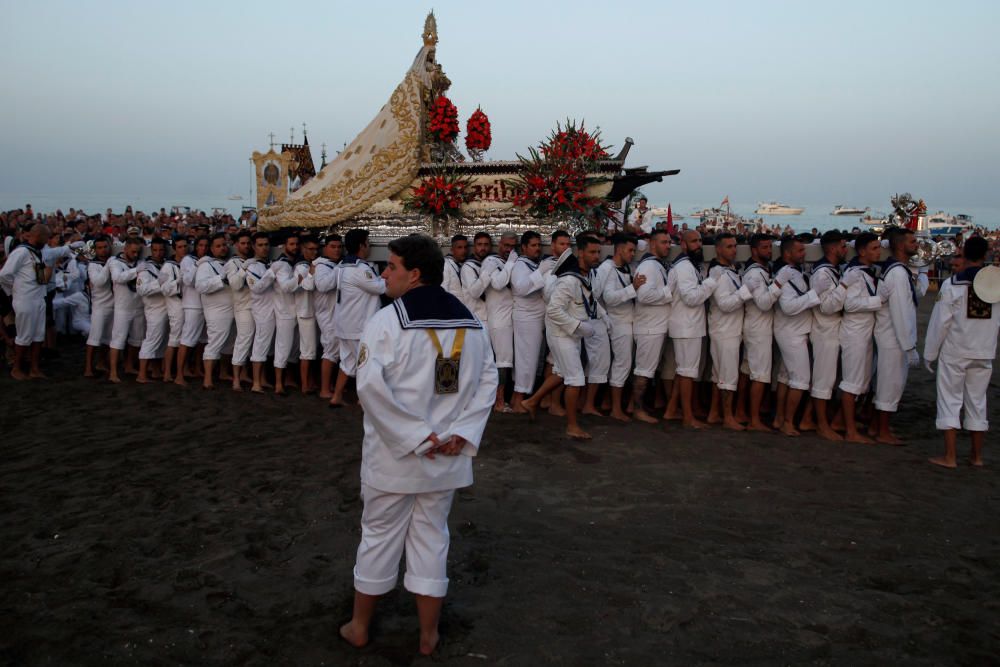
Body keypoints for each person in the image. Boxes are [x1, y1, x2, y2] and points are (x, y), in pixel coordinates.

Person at [339, 234, 497, 656]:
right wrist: (462, 432)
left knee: (378, 536)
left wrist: (413, 437)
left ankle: (359, 626)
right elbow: (488, 379)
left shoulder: (387, 320)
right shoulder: (472, 320)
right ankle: (428, 635)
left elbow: (369, 388)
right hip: (446, 456)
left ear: (414, 274)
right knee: (431, 538)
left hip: (395, 458)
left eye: (390, 266)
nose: (383, 273)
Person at [521, 234, 607, 440]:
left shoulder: (583, 276)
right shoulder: (569, 280)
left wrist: (604, 316)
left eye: (598, 252)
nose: (597, 256)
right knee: (576, 379)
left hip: (572, 333)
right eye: (592, 252)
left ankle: (531, 401)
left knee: (560, 372)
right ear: (581, 253)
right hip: (562, 334)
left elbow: (590, 300)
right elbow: (553, 311)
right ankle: (572, 425)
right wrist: (579, 326)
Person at [924, 237, 999, 468]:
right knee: (977, 402)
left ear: (964, 254)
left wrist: (930, 353)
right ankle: (976, 457)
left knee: (950, 400)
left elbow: (940, 323)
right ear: (985, 254)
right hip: (984, 349)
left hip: (956, 350)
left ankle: (950, 456)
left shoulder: (953, 284)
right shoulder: (995, 285)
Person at [872, 228, 925, 444]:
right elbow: (901, 312)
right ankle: (883, 432)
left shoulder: (900, 270)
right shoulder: (896, 273)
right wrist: (909, 346)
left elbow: (916, 294)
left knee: (889, 383)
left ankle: (879, 428)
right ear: (901, 245)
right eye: (913, 241)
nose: (917, 245)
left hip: (895, 337)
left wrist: (923, 271)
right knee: (890, 384)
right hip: (894, 339)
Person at [591, 233, 644, 421]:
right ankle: (615, 409)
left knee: (621, 364)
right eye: (630, 250)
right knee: (622, 364)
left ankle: (609, 403)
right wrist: (633, 289)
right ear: (620, 249)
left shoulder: (622, 267)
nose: (633, 254)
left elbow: (644, 245)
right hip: (617, 322)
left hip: (625, 320)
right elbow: (610, 298)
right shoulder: (608, 268)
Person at [838, 233, 885, 443]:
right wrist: (878, 301)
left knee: (861, 382)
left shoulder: (867, 272)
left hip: (864, 331)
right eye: (874, 248)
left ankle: (841, 422)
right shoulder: (855, 273)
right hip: (855, 332)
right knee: (852, 382)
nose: (878, 252)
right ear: (862, 251)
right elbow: (850, 304)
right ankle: (850, 431)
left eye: (879, 247)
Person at [668, 230, 717, 429]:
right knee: (687, 372)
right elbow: (691, 298)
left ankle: (671, 409)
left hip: (689, 325)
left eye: (700, 241)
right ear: (683, 244)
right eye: (694, 241)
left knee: (684, 371)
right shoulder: (684, 267)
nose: (699, 245)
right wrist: (712, 281)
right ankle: (688, 418)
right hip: (686, 326)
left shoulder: (689, 265)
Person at [331, 228, 386, 407]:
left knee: (347, 363)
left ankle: (336, 396)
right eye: (368, 243)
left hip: (344, 324)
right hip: (357, 326)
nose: (369, 246)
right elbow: (380, 288)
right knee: (366, 363)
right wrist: (389, 274)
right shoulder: (359, 269)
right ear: (362, 245)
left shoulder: (342, 266)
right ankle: (363, 401)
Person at [773, 236, 821, 436]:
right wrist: (814, 295)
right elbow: (789, 306)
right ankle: (788, 422)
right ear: (787, 254)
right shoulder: (786, 273)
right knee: (801, 379)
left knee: (786, 377)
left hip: (794, 329)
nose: (804, 254)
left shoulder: (794, 272)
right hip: (791, 332)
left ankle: (779, 418)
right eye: (800, 251)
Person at [706, 233, 754, 430]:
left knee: (719, 374)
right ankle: (728, 417)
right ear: (718, 249)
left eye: (735, 246)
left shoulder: (730, 270)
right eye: (729, 247)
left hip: (728, 329)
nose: (734, 250)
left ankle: (714, 413)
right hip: (725, 330)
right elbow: (725, 304)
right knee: (727, 376)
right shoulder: (718, 272)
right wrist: (745, 292)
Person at [808, 230, 848, 440]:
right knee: (824, 379)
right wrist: (845, 288)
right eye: (842, 246)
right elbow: (826, 306)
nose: (846, 250)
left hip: (833, 329)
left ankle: (813, 419)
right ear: (832, 248)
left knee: (829, 379)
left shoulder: (831, 269)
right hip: (825, 329)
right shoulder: (823, 273)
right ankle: (822, 425)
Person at [739, 234, 781, 431]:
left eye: (770, 247)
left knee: (748, 371)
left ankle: (742, 411)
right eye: (764, 247)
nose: (769, 251)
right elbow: (764, 303)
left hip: (756, 326)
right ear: (754, 250)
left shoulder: (760, 270)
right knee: (760, 374)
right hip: (758, 328)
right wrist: (779, 285)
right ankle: (754, 419)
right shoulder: (754, 274)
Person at [0, 223, 52, 379]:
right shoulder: (21, 252)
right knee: (24, 335)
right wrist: (14, 291)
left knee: (38, 336)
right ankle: (16, 368)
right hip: (25, 299)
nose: (47, 240)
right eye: (46, 237)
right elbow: (4, 275)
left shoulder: (37, 253)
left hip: (38, 298)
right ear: (39, 236)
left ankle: (34, 369)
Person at [631, 229, 670, 424]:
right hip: (648, 328)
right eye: (664, 242)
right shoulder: (649, 267)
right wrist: (668, 293)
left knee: (648, 370)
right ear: (653, 244)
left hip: (654, 326)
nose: (668, 246)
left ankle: (638, 405)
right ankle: (637, 409)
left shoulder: (655, 266)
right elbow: (644, 296)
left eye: (669, 242)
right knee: (643, 371)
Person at [510, 231, 549, 411]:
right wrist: (542, 271)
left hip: (536, 316)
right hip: (526, 318)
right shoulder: (520, 265)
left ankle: (522, 398)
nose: (537, 248)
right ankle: (518, 400)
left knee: (533, 359)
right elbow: (522, 287)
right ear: (524, 247)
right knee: (527, 359)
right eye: (533, 245)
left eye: (539, 245)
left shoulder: (532, 264)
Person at [481, 231, 517, 412]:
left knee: (508, 361)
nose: (509, 250)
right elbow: (498, 283)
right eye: (506, 246)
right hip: (498, 319)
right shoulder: (491, 261)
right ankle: (499, 401)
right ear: (499, 245)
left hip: (512, 318)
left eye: (512, 246)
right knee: (503, 361)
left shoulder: (512, 262)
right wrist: (510, 263)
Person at [195, 233, 234, 390]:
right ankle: (207, 378)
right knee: (215, 343)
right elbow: (201, 286)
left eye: (224, 245)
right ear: (211, 249)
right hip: (216, 311)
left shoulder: (227, 263)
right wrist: (220, 280)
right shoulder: (206, 265)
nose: (222, 248)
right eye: (218, 246)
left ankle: (223, 372)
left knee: (229, 343)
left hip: (231, 308)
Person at [107, 237, 146, 383]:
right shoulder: (115, 262)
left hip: (138, 305)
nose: (135, 254)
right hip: (122, 308)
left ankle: (129, 365)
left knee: (136, 340)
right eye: (133, 251)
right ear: (125, 249)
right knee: (118, 340)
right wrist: (136, 271)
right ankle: (113, 372)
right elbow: (118, 278)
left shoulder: (140, 263)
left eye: (138, 252)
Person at [246, 232, 276, 393]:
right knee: (260, 344)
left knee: (267, 346)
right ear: (254, 247)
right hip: (261, 310)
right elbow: (256, 288)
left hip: (273, 308)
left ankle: (262, 379)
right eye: (260, 245)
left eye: (266, 245)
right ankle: (256, 382)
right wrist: (271, 274)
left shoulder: (268, 263)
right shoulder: (252, 266)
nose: (264, 248)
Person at [270, 233, 301, 395]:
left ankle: (288, 379)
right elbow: (286, 287)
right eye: (291, 244)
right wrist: (301, 278)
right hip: (284, 312)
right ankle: (278, 384)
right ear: (284, 246)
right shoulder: (281, 265)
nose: (294, 247)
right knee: (283, 347)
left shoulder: (292, 263)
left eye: (296, 244)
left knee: (293, 348)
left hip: (294, 310)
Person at [135, 237, 168, 383]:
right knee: (152, 340)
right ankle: (142, 374)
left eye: (161, 250)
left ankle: (155, 371)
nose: (158, 253)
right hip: (153, 308)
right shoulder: (145, 267)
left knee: (162, 340)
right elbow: (141, 289)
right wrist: (159, 283)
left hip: (166, 306)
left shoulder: (166, 264)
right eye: (155, 250)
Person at [176, 236, 208, 385]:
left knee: (201, 341)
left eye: (206, 245)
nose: (203, 248)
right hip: (192, 304)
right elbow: (188, 281)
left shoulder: (208, 260)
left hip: (205, 305)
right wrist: (198, 265)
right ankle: (179, 374)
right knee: (187, 340)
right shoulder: (188, 260)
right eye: (201, 245)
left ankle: (196, 368)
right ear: (196, 246)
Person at [314, 234, 343, 399]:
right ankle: (324, 389)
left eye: (339, 247)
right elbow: (323, 286)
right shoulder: (321, 266)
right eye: (333, 246)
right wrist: (340, 269)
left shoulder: (334, 265)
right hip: (326, 312)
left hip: (337, 312)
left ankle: (331, 385)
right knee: (330, 348)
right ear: (325, 248)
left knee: (336, 349)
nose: (337, 250)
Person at [225, 230, 254, 391]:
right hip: (242, 307)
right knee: (243, 340)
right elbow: (235, 285)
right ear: (236, 245)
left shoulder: (252, 260)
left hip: (254, 306)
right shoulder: (232, 263)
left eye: (248, 243)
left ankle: (243, 373)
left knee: (250, 342)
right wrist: (244, 269)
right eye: (243, 243)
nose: (246, 246)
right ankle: (236, 378)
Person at [83, 235, 114, 378]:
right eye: (100, 248)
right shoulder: (93, 265)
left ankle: (101, 363)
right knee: (94, 338)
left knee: (107, 338)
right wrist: (108, 265)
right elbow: (99, 282)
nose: (103, 250)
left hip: (114, 304)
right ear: (95, 250)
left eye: (105, 247)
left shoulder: (114, 262)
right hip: (100, 306)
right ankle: (88, 367)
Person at [294, 235, 320, 393]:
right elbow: (308, 286)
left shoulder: (311, 265)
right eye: (311, 249)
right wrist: (311, 273)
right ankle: (304, 385)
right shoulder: (301, 267)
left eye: (316, 249)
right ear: (303, 249)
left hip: (314, 310)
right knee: (307, 350)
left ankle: (310, 381)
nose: (314, 252)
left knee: (313, 349)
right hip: (305, 311)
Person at [159, 236, 187, 383]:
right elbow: (163, 288)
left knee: (184, 339)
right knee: (174, 338)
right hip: (175, 304)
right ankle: (168, 372)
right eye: (180, 247)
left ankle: (180, 370)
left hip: (186, 304)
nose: (183, 249)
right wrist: (178, 280)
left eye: (185, 246)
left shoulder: (188, 262)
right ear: (175, 248)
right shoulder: (167, 266)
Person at [441, 234, 467, 300]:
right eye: (459, 247)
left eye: (465, 247)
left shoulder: (465, 265)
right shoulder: (446, 265)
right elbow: (443, 290)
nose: (463, 251)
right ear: (452, 250)